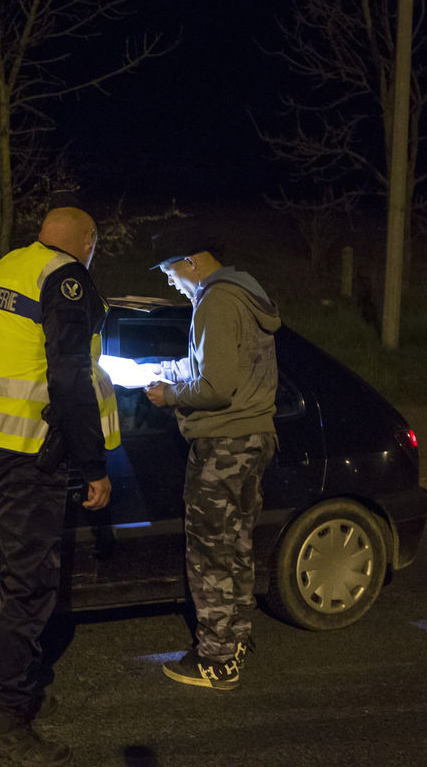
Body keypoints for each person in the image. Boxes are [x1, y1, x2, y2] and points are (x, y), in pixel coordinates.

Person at [0, 206, 116, 765]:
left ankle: (7, 689)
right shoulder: (66, 278)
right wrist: (94, 464)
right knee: (27, 586)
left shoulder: (1, 268)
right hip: (33, 452)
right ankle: (6, 719)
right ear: (87, 241)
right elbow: (69, 376)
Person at [144, 222, 281, 691]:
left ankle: (216, 661)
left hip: (223, 445)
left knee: (209, 554)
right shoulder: (245, 293)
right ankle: (236, 637)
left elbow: (217, 388)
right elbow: (224, 367)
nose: (171, 283)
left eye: (170, 274)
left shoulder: (216, 300)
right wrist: (169, 369)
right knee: (236, 544)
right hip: (254, 438)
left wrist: (169, 395)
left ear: (191, 262)